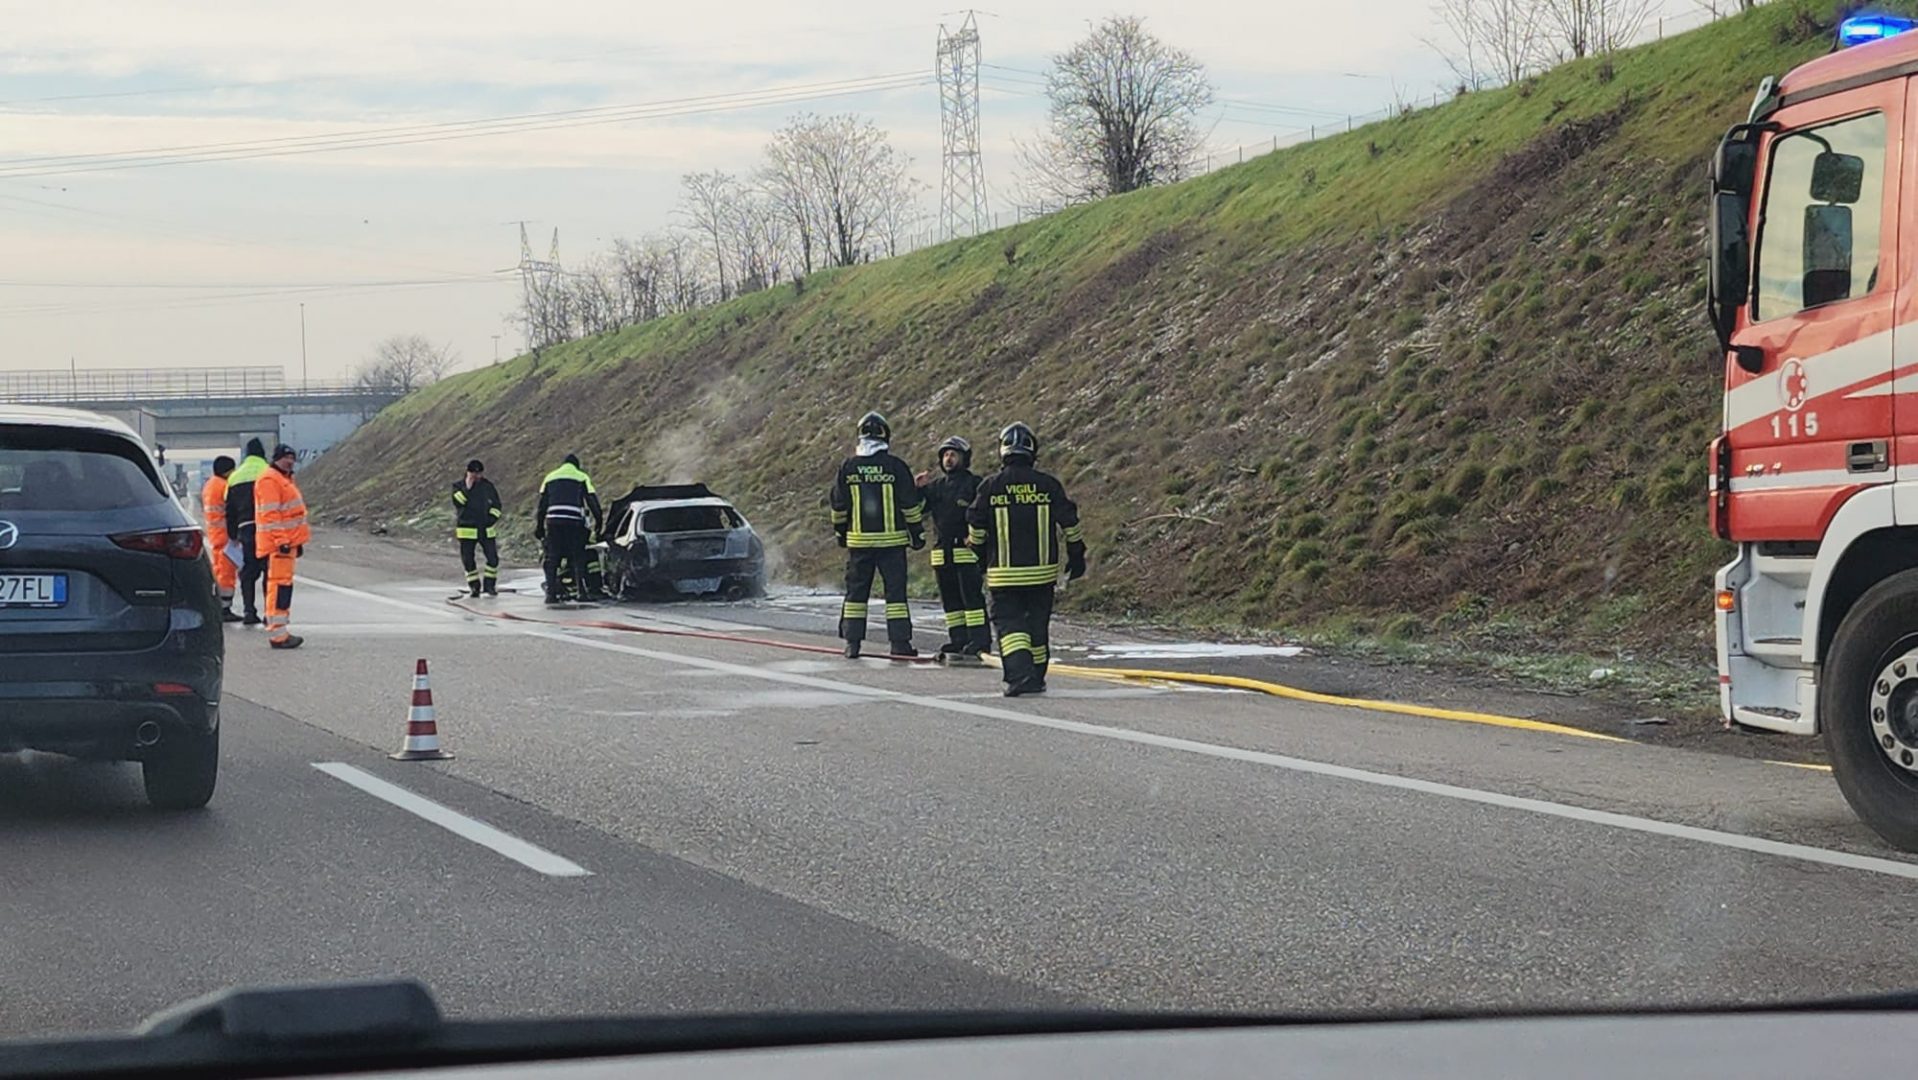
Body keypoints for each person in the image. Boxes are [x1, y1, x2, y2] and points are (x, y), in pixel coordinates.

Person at [967, 422, 1087, 697]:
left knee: (1010, 625)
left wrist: (980, 558)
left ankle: (1019, 675)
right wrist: (1076, 555)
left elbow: (976, 527)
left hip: (1004, 575)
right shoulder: (1048, 485)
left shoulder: (990, 487)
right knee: (1036, 626)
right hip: (1042, 575)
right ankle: (1036, 676)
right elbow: (1070, 524)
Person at [829, 411, 925, 659]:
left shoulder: (848, 467)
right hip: (892, 545)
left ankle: (852, 644)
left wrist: (841, 534)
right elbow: (910, 505)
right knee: (895, 597)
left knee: (856, 595)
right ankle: (899, 644)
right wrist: (917, 534)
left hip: (859, 544)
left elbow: (838, 507)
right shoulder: (896, 467)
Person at [917, 435, 991, 658]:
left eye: (953, 455)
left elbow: (985, 515)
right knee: (951, 603)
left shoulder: (975, 484)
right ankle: (958, 639)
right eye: (946, 455)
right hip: (942, 554)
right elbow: (918, 510)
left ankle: (979, 641)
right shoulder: (935, 487)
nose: (948, 459)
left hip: (966, 554)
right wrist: (917, 489)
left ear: (964, 458)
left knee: (972, 601)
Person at [254, 444, 311, 650]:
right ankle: (278, 634)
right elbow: (271, 515)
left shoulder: (283, 479)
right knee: (279, 587)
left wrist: (296, 542)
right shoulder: (270, 480)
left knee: (282, 587)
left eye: (292, 458)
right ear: (276, 458)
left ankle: (279, 630)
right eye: (286, 457)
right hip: (279, 545)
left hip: (287, 543)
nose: (290, 461)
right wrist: (282, 541)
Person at [536, 453, 602, 605]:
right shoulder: (582, 477)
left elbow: (542, 506)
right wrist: (599, 523)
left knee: (553, 557)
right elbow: (592, 502)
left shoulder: (550, 477)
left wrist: (539, 527)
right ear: (577, 466)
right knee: (578, 556)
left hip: (553, 522)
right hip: (574, 522)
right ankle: (581, 592)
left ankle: (551, 595)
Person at [223, 438, 271, 627]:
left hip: (246, 528)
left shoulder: (235, 476)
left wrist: (232, 534)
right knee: (270, 571)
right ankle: (270, 612)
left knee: (249, 571)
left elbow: (229, 509)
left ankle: (249, 611)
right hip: (268, 528)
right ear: (263, 453)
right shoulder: (269, 472)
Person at [452, 459, 503, 598]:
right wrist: (467, 488)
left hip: (486, 529)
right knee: (468, 561)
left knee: (493, 559)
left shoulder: (487, 486)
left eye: (479, 474)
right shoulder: (458, 486)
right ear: (468, 473)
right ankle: (474, 587)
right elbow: (459, 502)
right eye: (474, 474)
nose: (477, 477)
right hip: (467, 530)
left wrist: (491, 519)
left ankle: (489, 586)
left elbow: (497, 505)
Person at [199, 456, 242, 623]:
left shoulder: (209, 485)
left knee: (218, 571)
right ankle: (224, 608)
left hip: (215, 534)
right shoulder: (224, 486)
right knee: (226, 574)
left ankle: (218, 605)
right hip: (226, 535)